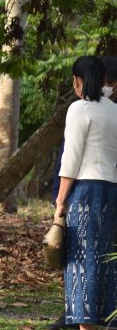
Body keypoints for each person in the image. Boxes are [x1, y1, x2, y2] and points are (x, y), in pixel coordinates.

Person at [47, 55, 117, 330]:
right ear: (102, 81)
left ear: (77, 81)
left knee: (81, 261)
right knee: (106, 261)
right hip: (112, 191)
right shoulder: (113, 110)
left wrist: (60, 203)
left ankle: (85, 325)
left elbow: (70, 161)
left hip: (85, 191)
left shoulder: (79, 109)